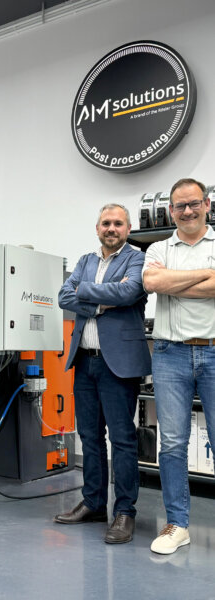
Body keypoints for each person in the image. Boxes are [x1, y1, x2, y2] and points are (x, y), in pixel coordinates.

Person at [54, 203, 151, 544]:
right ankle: (94, 503)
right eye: (106, 223)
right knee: (90, 437)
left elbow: (129, 291)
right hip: (85, 361)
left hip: (119, 364)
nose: (111, 228)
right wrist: (100, 303)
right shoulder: (85, 261)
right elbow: (63, 296)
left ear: (128, 229)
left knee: (122, 439)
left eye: (118, 223)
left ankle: (124, 512)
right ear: (97, 228)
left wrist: (84, 291)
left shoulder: (138, 259)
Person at [143, 178, 215, 555]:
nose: (187, 211)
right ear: (171, 211)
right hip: (169, 354)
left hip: (214, 352)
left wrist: (173, 283)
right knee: (171, 443)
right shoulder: (158, 248)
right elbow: (152, 281)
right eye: (180, 206)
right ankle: (177, 524)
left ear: (206, 204)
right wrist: (205, 277)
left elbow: (164, 283)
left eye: (193, 203)